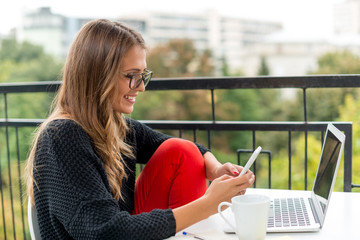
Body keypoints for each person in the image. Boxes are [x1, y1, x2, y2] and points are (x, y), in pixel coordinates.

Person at [25, 19, 255, 240]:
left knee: (180, 150)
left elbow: (186, 148)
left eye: (142, 75)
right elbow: (105, 231)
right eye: (131, 76)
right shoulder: (62, 136)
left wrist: (215, 170)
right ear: (97, 75)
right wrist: (208, 204)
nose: (141, 87)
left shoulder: (112, 126)